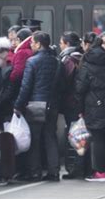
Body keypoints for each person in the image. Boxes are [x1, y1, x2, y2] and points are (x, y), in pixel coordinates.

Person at [14, 31, 60, 182]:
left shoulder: (32, 62)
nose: (31, 45)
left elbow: (26, 87)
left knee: (35, 140)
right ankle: (54, 172)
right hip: (52, 104)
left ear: (39, 44)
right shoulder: (56, 61)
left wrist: (18, 105)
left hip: (35, 104)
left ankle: (35, 172)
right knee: (50, 138)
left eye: (33, 42)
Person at [76, 33, 105, 181]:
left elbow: (80, 88)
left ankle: (100, 172)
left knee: (98, 139)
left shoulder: (87, 63)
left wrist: (79, 109)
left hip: (93, 105)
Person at [58, 31, 85, 180]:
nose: (60, 46)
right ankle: (82, 167)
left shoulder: (68, 60)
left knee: (75, 136)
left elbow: (64, 83)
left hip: (71, 104)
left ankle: (76, 169)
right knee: (81, 135)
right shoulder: (82, 57)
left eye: (61, 43)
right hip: (80, 103)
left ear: (67, 44)